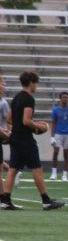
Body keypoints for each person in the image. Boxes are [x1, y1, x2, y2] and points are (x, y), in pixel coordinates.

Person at [0, 72, 64, 210]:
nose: (37, 86)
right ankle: (46, 201)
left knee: (13, 168)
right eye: (36, 83)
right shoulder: (29, 99)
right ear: (31, 83)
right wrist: (39, 127)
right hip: (25, 138)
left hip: (15, 138)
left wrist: (21, 126)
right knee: (37, 168)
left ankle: (5, 199)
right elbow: (26, 120)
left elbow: (9, 119)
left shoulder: (16, 97)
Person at [49, 92, 68, 182]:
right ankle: (54, 172)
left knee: (66, 154)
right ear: (60, 99)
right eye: (63, 97)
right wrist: (52, 136)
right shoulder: (55, 110)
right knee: (56, 151)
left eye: (67, 98)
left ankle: (65, 174)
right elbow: (53, 123)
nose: (65, 99)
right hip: (58, 133)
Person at [0, 75, 11, 203]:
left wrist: (9, 132)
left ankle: (2, 197)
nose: (4, 87)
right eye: (2, 83)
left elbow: (8, 120)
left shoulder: (3, 102)